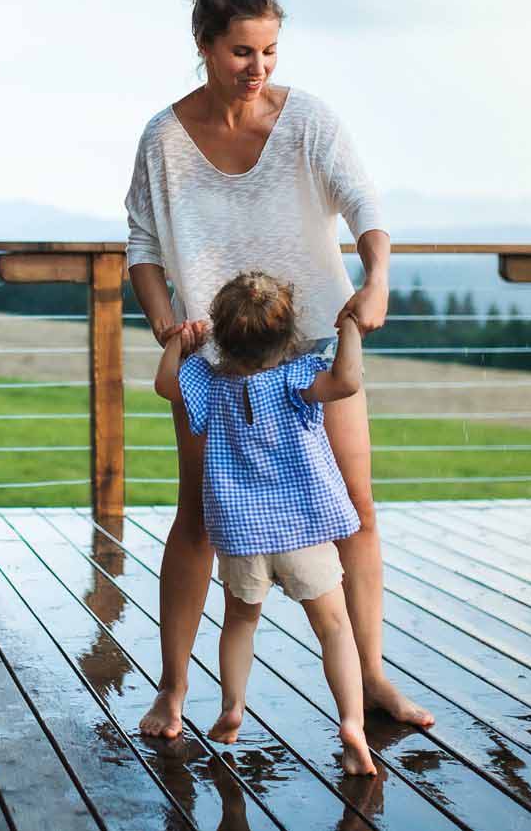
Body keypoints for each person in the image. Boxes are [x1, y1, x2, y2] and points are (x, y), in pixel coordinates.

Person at [124, 0, 435, 739]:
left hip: (317, 354)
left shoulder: (309, 121)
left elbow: (365, 203)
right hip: (214, 366)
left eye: (269, 52)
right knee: (195, 518)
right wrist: (169, 328)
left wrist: (379, 276)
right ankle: (172, 691)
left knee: (355, 513)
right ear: (204, 43)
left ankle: (371, 682)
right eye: (240, 51)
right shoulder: (163, 139)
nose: (256, 68)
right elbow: (142, 248)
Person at [155, 271, 375, 775]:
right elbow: (347, 382)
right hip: (304, 531)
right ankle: (351, 724)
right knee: (335, 628)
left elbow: (165, 384)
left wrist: (178, 344)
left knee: (239, 622)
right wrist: (351, 333)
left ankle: (233, 706)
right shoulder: (298, 377)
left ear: (220, 337)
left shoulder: (207, 383)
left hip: (242, 537)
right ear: (288, 334)